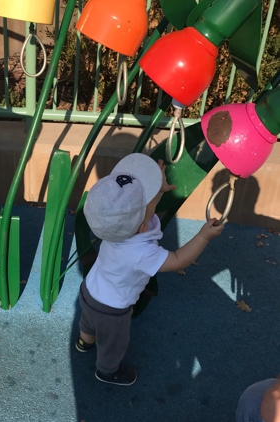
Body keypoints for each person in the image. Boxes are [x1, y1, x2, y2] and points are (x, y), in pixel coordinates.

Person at [77, 153, 224, 386]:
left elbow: (142, 210)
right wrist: (203, 235)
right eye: (149, 197)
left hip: (88, 291)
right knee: (113, 344)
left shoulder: (111, 228)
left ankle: (85, 342)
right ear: (143, 225)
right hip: (112, 311)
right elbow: (178, 259)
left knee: (88, 322)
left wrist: (159, 189)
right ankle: (106, 370)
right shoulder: (141, 252)